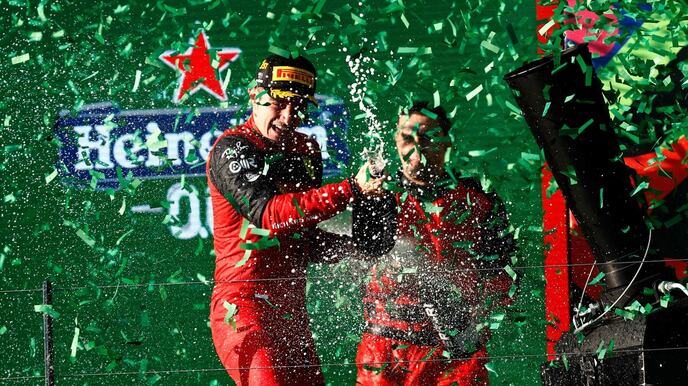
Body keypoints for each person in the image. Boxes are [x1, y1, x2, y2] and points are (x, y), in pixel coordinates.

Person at [206, 54, 384, 386]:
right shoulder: (231, 148)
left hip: (292, 314)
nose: (289, 116)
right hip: (242, 309)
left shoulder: (306, 150)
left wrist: (360, 250)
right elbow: (269, 215)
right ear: (253, 96)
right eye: (277, 103)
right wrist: (351, 189)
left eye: (299, 106)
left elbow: (301, 240)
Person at [352, 102, 517, 385]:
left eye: (428, 137)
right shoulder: (379, 196)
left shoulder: (479, 200)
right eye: (407, 137)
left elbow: (507, 276)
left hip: (455, 357)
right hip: (385, 352)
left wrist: (475, 330)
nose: (418, 146)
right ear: (395, 141)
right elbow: (355, 255)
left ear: (446, 141)